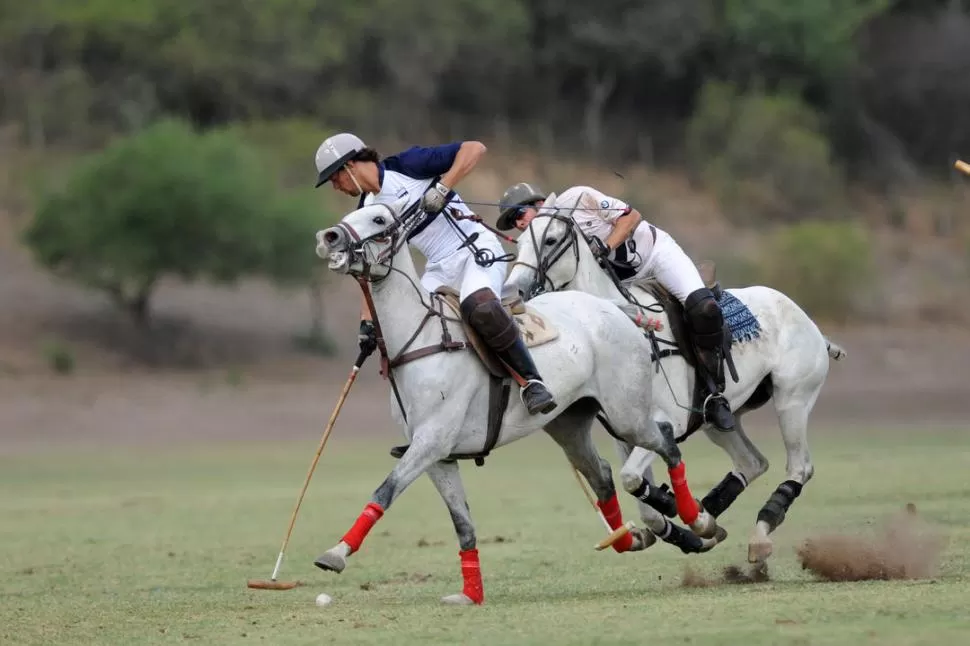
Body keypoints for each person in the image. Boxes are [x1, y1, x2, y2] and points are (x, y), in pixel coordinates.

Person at [313, 133, 556, 415]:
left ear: (350, 166)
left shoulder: (407, 165)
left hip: (474, 249)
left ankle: (532, 382)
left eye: (334, 178)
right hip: (439, 268)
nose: (335, 187)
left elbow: (474, 149)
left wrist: (442, 188)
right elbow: (370, 269)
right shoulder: (368, 211)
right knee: (403, 328)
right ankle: (427, 418)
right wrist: (367, 322)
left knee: (480, 306)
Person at [496, 182, 734, 431]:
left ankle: (714, 394)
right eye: (514, 222)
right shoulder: (542, 241)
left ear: (540, 204)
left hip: (656, 256)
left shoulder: (578, 198)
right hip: (621, 282)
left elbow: (631, 217)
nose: (519, 224)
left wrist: (607, 245)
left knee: (704, 308)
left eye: (519, 214)